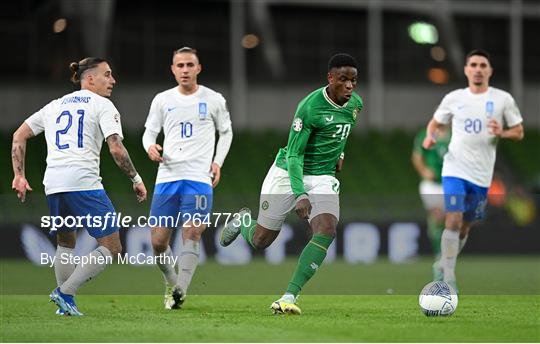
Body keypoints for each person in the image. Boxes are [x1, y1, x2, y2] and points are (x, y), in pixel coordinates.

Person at [220, 53, 363, 315]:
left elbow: (343, 133)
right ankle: (243, 222)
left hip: (323, 176)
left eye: (354, 80)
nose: (350, 86)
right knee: (262, 241)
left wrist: (340, 154)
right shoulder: (309, 107)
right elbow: (295, 155)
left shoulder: (355, 104)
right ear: (330, 79)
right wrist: (300, 194)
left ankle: (289, 296)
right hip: (288, 173)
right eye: (343, 80)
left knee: (327, 230)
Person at [11, 57, 147, 316]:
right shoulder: (102, 105)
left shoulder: (53, 106)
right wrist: (136, 179)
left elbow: (19, 135)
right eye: (107, 75)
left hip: (53, 183)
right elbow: (116, 149)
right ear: (90, 79)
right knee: (112, 246)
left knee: (66, 243)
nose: (113, 80)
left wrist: (19, 175)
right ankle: (65, 292)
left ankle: (65, 306)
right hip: (83, 181)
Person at [422, 49, 524, 292]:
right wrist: (430, 136)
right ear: (467, 70)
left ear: (489, 71)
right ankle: (448, 273)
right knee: (454, 218)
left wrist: (502, 132)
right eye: (474, 65)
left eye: (482, 65)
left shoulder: (503, 99)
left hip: (481, 175)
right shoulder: (454, 98)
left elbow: (519, 132)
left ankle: (444, 263)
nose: (478, 69)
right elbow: (436, 122)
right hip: (455, 168)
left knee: (465, 226)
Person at [142, 47, 233, 309]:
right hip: (167, 176)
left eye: (189, 65)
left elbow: (226, 133)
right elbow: (149, 133)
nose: (184, 70)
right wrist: (150, 147)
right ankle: (172, 284)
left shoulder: (214, 99)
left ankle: (181, 287)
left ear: (198, 68)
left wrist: (217, 162)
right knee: (158, 242)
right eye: (179, 65)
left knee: (192, 232)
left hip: (198, 177)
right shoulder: (162, 100)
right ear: (173, 69)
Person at [412, 126, 450, 276]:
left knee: (449, 220)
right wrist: (423, 171)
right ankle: (439, 253)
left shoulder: (455, 135)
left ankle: (446, 253)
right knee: (437, 215)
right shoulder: (425, 134)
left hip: (449, 183)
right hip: (431, 185)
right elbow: (416, 156)